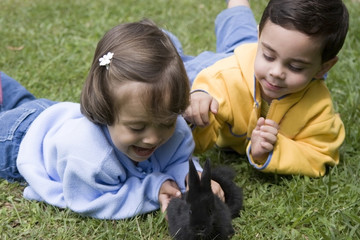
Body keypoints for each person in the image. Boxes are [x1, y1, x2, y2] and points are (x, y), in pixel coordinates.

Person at [0, 19, 224, 220]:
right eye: (137, 127)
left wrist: (193, 180)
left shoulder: (174, 130)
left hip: (47, 114)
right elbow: (94, 200)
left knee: (20, 100)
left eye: (166, 123)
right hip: (18, 140)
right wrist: (152, 190)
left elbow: (177, 159)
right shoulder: (91, 157)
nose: (153, 138)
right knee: (16, 112)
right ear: (105, 109)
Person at [181, 0, 348, 177]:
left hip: (255, 56)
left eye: (296, 67)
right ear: (260, 35)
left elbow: (320, 153)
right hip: (219, 65)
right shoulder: (224, 80)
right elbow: (196, 137)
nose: (276, 73)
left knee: (240, 35)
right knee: (170, 64)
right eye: (269, 56)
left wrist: (273, 148)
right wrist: (195, 113)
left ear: (323, 67)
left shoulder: (318, 109)